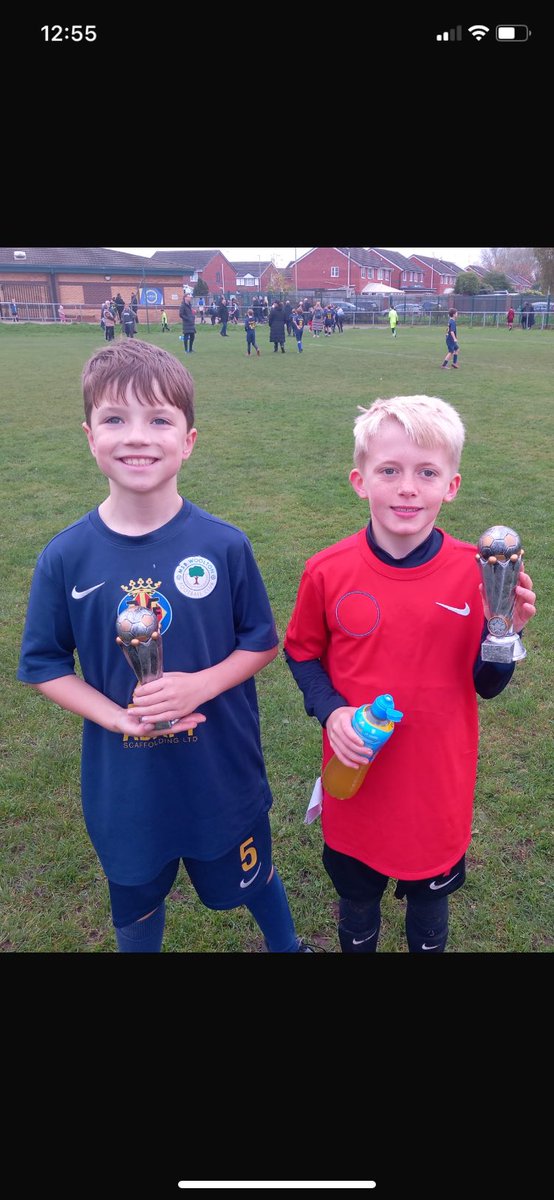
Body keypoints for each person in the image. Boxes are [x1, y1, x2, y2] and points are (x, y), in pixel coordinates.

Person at [17, 339, 313, 954]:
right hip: (126, 786)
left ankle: (289, 948)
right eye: (115, 419)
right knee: (135, 897)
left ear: (188, 440)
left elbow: (260, 642)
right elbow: (45, 664)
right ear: (89, 435)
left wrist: (199, 684)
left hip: (219, 774)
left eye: (159, 420)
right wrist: (117, 715)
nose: (137, 437)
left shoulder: (225, 545)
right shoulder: (65, 556)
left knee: (252, 878)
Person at [284, 394, 536, 953]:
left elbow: (487, 685)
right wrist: (333, 713)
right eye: (389, 471)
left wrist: (504, 634)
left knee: (429, 904)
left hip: (435, 790)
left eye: (427, 473)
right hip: (358, 783)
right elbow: (301, 654)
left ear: (451, 485)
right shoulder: (327, 571)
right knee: (356, 902)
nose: (407, 488)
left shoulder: (478, 573)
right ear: (360, 480)